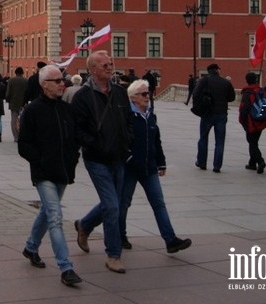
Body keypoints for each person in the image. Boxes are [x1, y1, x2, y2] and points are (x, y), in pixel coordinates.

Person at [18, 64, 82, 287]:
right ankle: (66, 267)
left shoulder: (66, 109)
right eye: (57, 81)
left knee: (47, 211)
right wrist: (41, 160)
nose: (61, 83)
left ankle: (31, 247)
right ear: (44, 85)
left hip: (63, 171)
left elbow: (74, 138)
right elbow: (23, 145)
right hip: (44, 173)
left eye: (62, 80)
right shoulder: (33, 111)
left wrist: (73, 157)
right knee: (55, 216)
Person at [71, 50, 132, 274]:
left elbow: (128, 120)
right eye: (104, 65)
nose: (109, 67)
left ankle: (85, 225)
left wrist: (128, 142)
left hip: (119, 156)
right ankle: (113, 255)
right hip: (96, 159)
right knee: (113, 205)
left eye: (110, 64)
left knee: (112, 203)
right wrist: (94, 144)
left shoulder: (119, 92)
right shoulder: (82, 97)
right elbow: (77, 130)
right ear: (92, 70)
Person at [118, 80, 192, 254]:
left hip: (149, 168)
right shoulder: (126, 115)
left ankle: (170, 240)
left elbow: (155, 140)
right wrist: (128, 158)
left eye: (148, 93)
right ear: (133, 97)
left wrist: (161, 161)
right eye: (144, 94)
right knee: (123, 204)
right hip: (130, 168)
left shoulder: (150, 114)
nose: (148, 97)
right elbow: (120, 140)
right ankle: (120, 236)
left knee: (159, 204)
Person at [192, 63, 236, 173]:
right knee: (220, 141)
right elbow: (232, 98)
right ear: (217, 70)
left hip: (207, 113)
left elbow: (196, 94)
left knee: (203, 138)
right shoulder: (226, 82)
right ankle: (217, 166)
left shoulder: (204, 81)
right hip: (221, 114)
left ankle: (202, 163)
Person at [238, 72, 266, 173]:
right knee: (254, 142)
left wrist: (242, 120)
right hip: (261, 120)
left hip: (251, 122)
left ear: (247, 80)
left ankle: (260, 161)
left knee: (252, 143)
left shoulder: (248, 93)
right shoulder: (261, 91)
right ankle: (252, 163)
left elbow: (244, 109)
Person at [5, 66, 28, 142]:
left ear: (15, 73)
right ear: (22, 73)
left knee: (14, 120)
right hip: (24, 103)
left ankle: (16, 136)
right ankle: (23, 135)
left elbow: (8, 93)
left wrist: (8, 100)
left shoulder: (11, 80)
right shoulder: (26, 81)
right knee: (23, 120)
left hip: (13, 103)